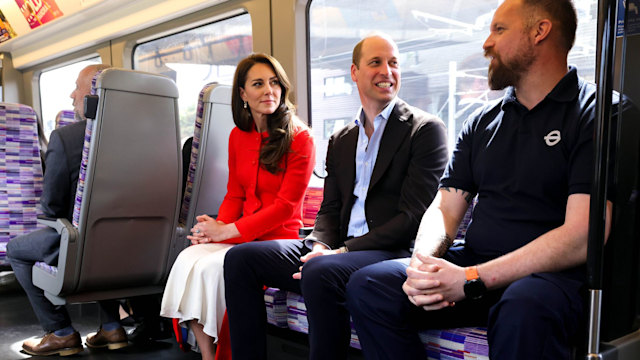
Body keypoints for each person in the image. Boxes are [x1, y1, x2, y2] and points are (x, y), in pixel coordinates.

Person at [345, 1, 617, 359]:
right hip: (475, 267)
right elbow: (445, 206)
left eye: (499, 30)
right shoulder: (482, 122)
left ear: (540, 32)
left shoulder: (598, 112)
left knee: (524, 308)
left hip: (547, 279)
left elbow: (582, 236)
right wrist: (423, 263)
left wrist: (472, 278)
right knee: (370, 285)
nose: (486, 43)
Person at [223, 33, 449, 360]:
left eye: (394, 63)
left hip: (386, 250)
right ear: (355, 72)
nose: (387, 71)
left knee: (320, 272)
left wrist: (340, 251)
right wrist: (320, 245)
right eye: (376, 63)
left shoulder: (424, 130)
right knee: (241, 259)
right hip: (336, 247)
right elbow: (329, 209)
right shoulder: (343, 138)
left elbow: (412, 218)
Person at [160, 53, 316, 360]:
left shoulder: (301, 138)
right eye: (258, 84)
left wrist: (226, 231)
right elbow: (234, 194)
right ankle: (207, 353)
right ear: (243, 95)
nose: (268, 90)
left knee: (210, 266)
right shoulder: (238, 136)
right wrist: (213, 233)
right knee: (188, 258)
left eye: (274, 83)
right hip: (242, 232)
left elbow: (286, 207)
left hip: (278, 238)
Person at [6, 64, 135, 356]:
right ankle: (112, 327)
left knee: (16, 248)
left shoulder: (66, 138)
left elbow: (51, 208)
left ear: (93, 93)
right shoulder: (145, 135)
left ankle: (60, 332)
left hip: (83, 244)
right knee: (101, 239)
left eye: (77, 87)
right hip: (132, 245)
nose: (71, 95)